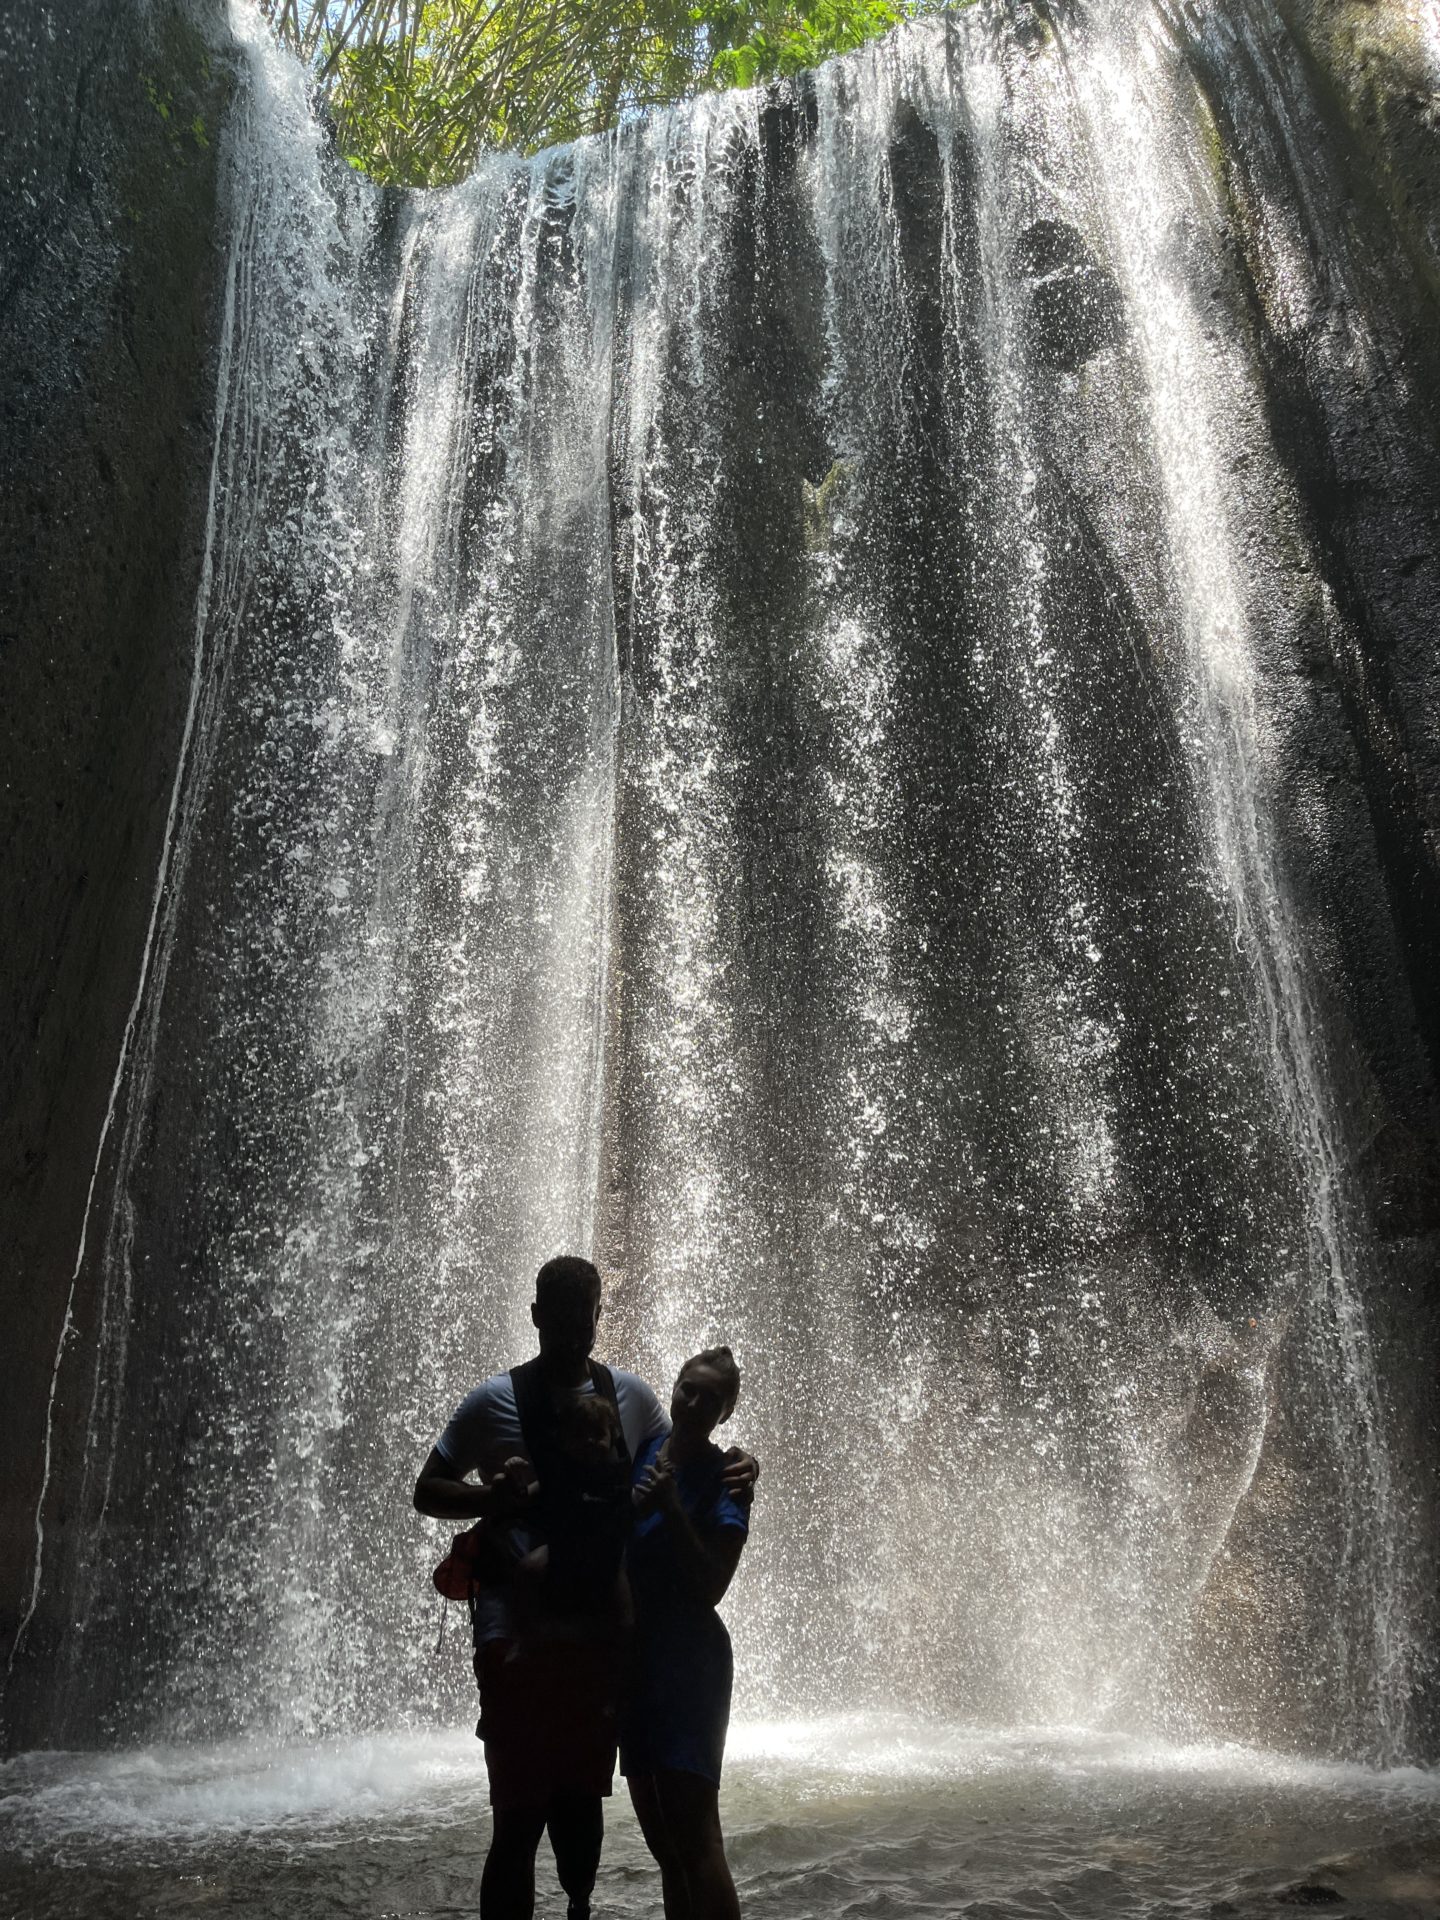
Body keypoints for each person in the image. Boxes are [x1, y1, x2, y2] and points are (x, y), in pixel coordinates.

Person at [413, 1256, 756, 1920]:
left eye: (585, 1316)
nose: (573, 1330)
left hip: (605, 1636)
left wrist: (741, 1459)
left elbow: (687, 1453)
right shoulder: (493, 1400)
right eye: (559, 1315)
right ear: (537, 1315)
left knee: (580, 1809)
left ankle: (578, 1907)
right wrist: (494, 1498)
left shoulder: (632, 1399)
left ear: (599, 1319)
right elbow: (426, 1490)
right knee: (518, 1815)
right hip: (518, 1627)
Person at [621, 1347, 750, 1920]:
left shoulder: (728, 1478)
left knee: (697, 1837)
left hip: (690, 1665)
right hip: (635, 1660)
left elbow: (711, 1586)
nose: (694, 1403)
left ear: (727, 1412)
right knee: (664, 1845)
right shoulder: (644, 1449)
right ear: (672, 1387)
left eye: (711, 1399)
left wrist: (671, 1508)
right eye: (687, 1389)